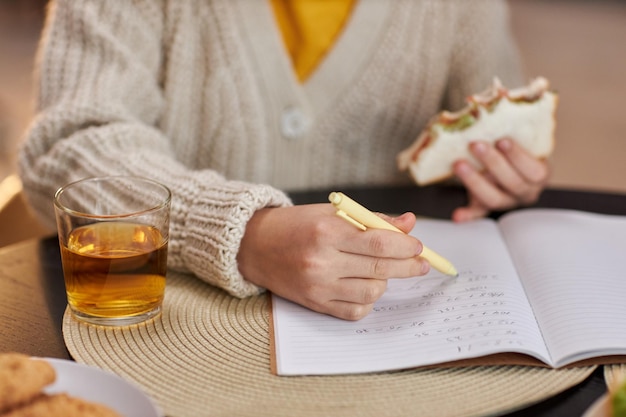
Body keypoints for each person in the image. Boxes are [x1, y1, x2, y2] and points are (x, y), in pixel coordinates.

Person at [18, 0, 549, 320]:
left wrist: (506, 173)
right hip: (171, 308)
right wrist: (243, 232)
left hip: (388, 319)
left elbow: (493, 109)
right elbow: (68, 143)